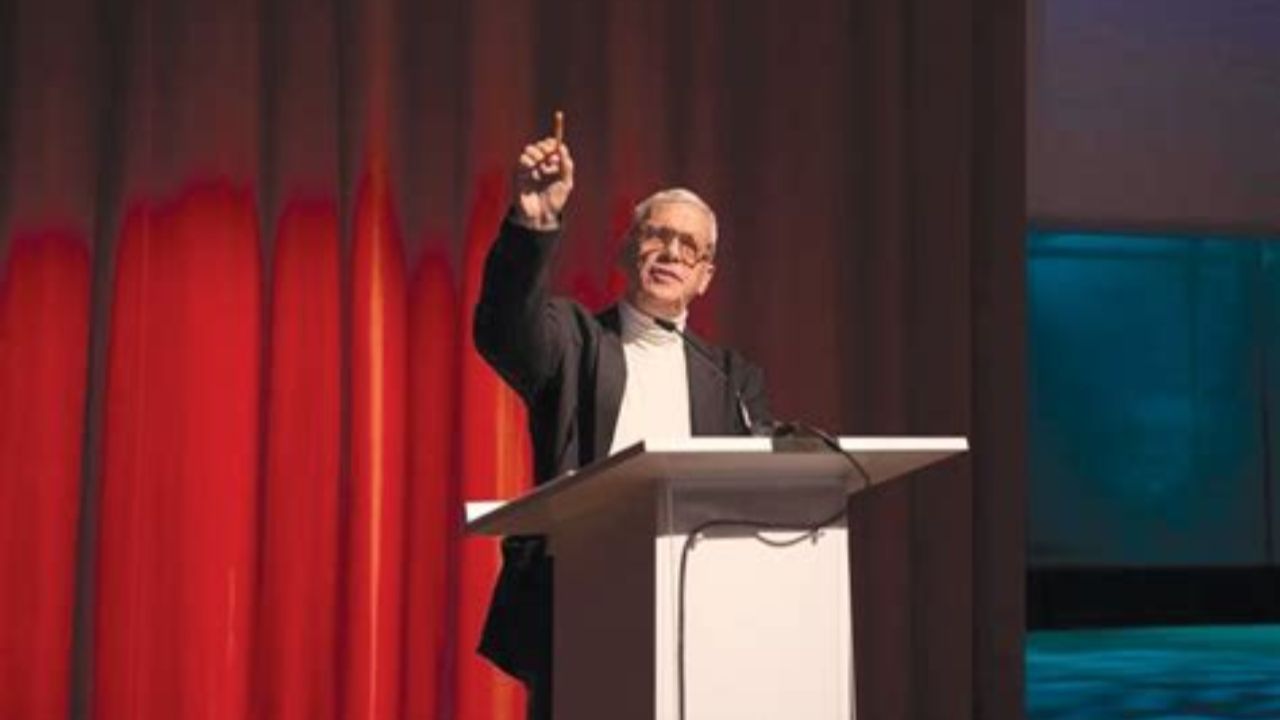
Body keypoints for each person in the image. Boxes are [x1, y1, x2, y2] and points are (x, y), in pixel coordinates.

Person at [472, 133, 773, 720]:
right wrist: (534, 222)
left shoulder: (733, 380)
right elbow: (503, 329)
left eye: (689, 246)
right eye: (657, 235)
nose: (671, 252)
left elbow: (756, 495)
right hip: (577, 606)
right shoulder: (574, 341)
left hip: (699, 617)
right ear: (627, 250)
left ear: (705, 276)